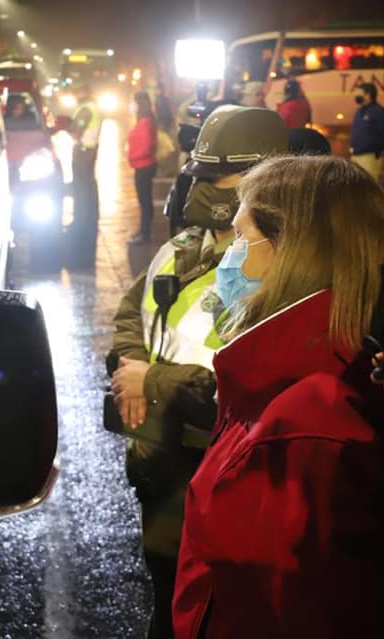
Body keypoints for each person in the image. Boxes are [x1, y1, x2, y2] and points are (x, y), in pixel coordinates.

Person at [173, 155, 384, 639]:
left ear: (294, 251)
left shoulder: (304, 427)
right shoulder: (324, 368)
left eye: (243, 237)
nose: (230, 255)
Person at [110, 105, 288, 639]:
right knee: (167, 598)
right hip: (161, 466)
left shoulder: (278, 269)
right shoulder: (185, 246)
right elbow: (129, 310)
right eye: (200, 173)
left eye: (217, 177)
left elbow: (260, 388)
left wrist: (153, 385)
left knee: (216, 610)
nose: (202, 186)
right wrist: (132, 362)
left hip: (222, 473)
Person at [67, 84, 101, 264]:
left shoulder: (86, 110)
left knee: (82, 189)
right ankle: (88, 217)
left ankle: (83, 220)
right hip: (90, 150)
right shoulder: (93, 108)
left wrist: (69, 128)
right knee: (87, 186)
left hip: (83, 152)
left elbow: (75, 130)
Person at [127, 92, 158, 244]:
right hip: (143, 165)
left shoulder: (146, 122)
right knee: (145, 200)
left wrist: (133, 157)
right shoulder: (145, 120)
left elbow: (146, 146)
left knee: (144, 201)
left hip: (144, 165)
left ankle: (144, 234)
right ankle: (144, 231)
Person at [350, 82, 384, 182]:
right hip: (355, 155)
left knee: (368, 187)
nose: (356, 96)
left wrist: (375, 150)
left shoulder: (379, 112)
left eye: (359, 93)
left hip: (369, 157)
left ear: (368, 95)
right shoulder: (359, 111)